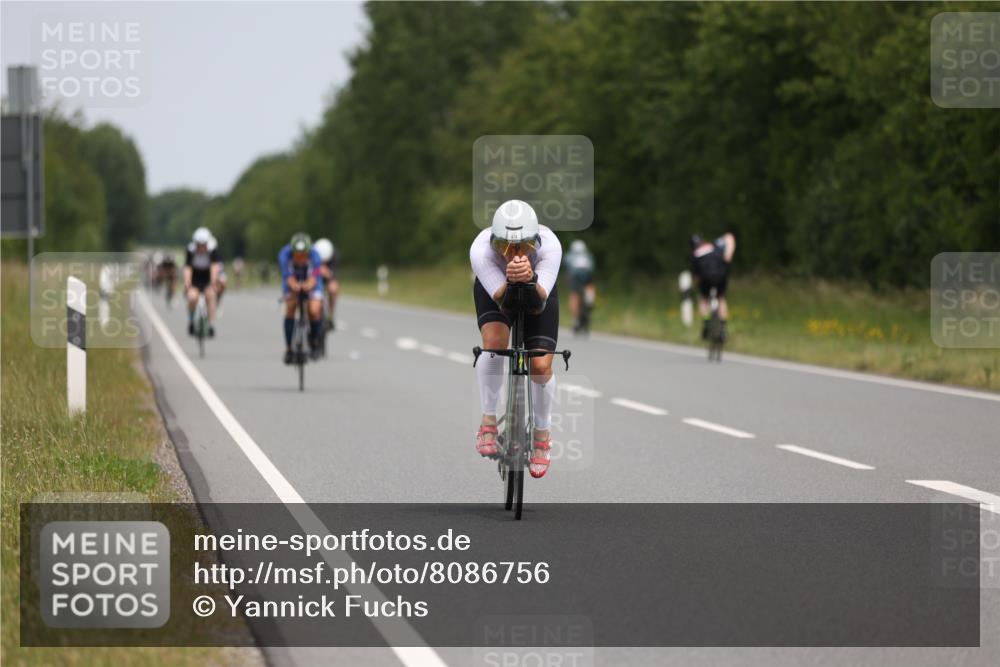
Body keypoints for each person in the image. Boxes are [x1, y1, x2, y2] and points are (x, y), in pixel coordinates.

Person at [470, 200, 562, 479]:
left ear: (537, 240)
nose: (516, 253)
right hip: (495, 288)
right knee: (495, 343)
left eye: (525, 246)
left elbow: (537, 303)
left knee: (541, 365)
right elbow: (503, 300)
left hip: (539, 291)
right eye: (506, 248)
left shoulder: (550, 247)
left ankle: (541, 436)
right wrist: (510, 278)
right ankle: (488, 421)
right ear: (493, 242)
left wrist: (530, 277)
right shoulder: (481, 251)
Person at [278, 233, 325, 363]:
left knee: (314, 309)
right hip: (293, 281)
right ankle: (289, 349)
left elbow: (315, 276)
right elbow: (288, 277)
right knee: (291, 306)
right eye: (297, 255)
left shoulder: (315, 255)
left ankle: (314, 343)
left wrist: (307, 286)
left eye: (303, 255)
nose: (300, 257)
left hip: (311, 282)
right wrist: (295, 287)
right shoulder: (284, 255)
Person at [690, 232, 736, 341]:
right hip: (721, 276)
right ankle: (723, 327)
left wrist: (697, 286)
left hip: (705, 278)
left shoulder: (695, 255)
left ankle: (706, 322)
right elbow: (729, 238)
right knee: (721, 298)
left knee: (703, 299)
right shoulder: (714, 247)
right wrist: (729, 253)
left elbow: (696, 277)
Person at [184, 227, 222, 336]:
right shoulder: (190, 251)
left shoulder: (212, 250)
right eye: (198, 245)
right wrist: (188, 283)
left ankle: (210, 324)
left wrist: (214, 282)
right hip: (195, 278)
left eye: (203, 245)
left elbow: (214, 267)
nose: (201, 248)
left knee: (211, 296)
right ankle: (191, 320)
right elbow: (188, 268)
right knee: (192, 297)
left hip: (207, 277)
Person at [563, 239, 596, 334]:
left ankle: (575, 319)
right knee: (590, 286)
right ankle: (590, 298)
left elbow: (568, 269)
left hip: (575, 276)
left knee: (574, 295)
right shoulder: (588, 256)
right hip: (588, 275)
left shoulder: (569, 256)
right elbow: (592, 269)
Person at [314, 238, 339, 331]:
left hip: (328, 277)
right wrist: (317, 271)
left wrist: (328, 274)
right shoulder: (312, 255)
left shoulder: (334, 256)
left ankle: (330, 316)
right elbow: (309, 272)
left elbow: (333, 275)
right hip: (315, 277)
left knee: (333, 289)